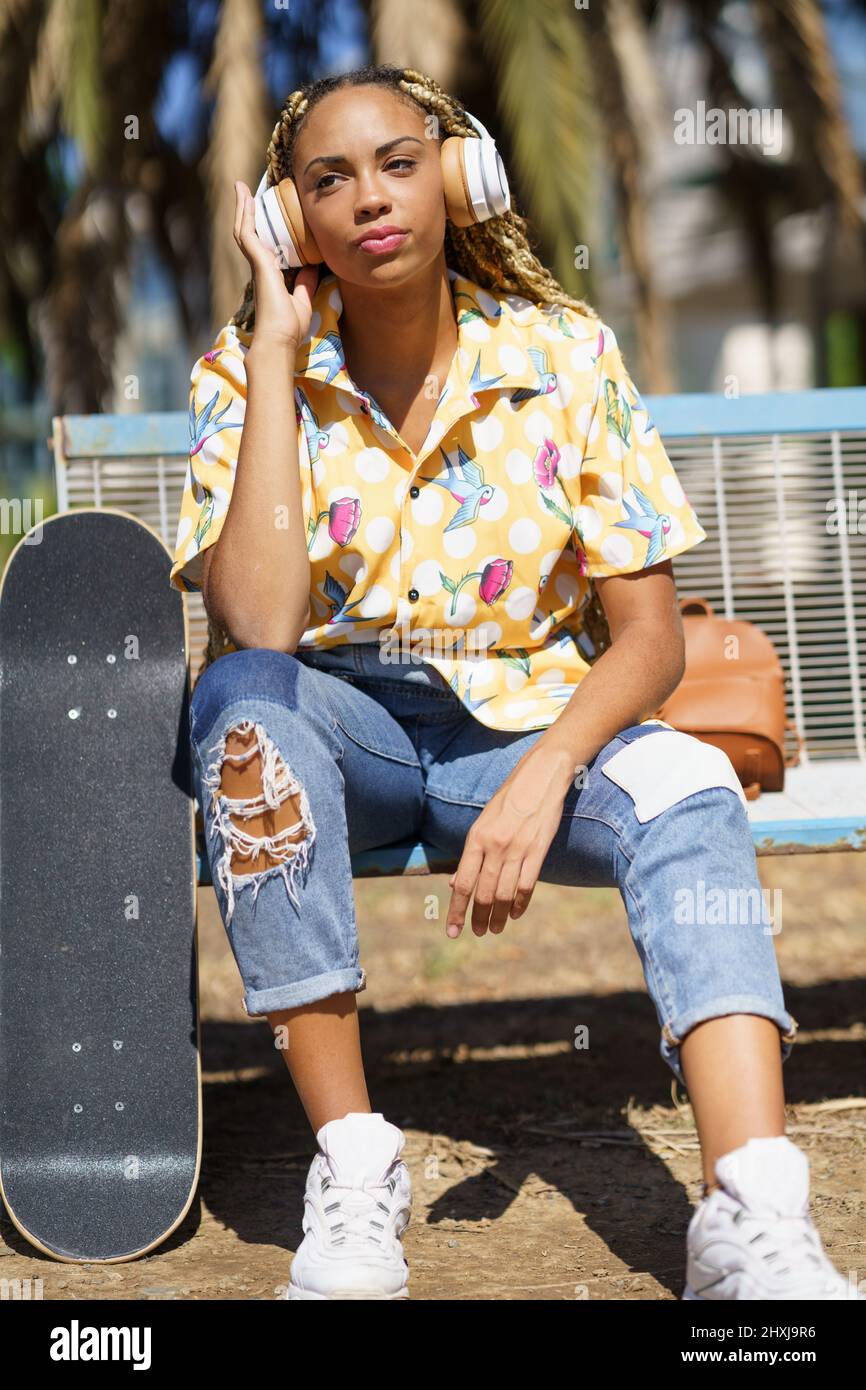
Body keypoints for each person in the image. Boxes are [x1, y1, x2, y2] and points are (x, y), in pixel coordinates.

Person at [170, 63, 858, 1302]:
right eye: (328, 179)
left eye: (397, 160)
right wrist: (278, 354)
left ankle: (751, 1214)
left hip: (537, 721)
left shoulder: (564, 354)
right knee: (243, 717)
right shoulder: (244, 374)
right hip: (347, 733)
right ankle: (355, 1164)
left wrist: (546, 772)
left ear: (460, 176)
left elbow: (646, 643)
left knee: (690, 783)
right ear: (289, 220)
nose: (370, 197)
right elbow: (258, 626)